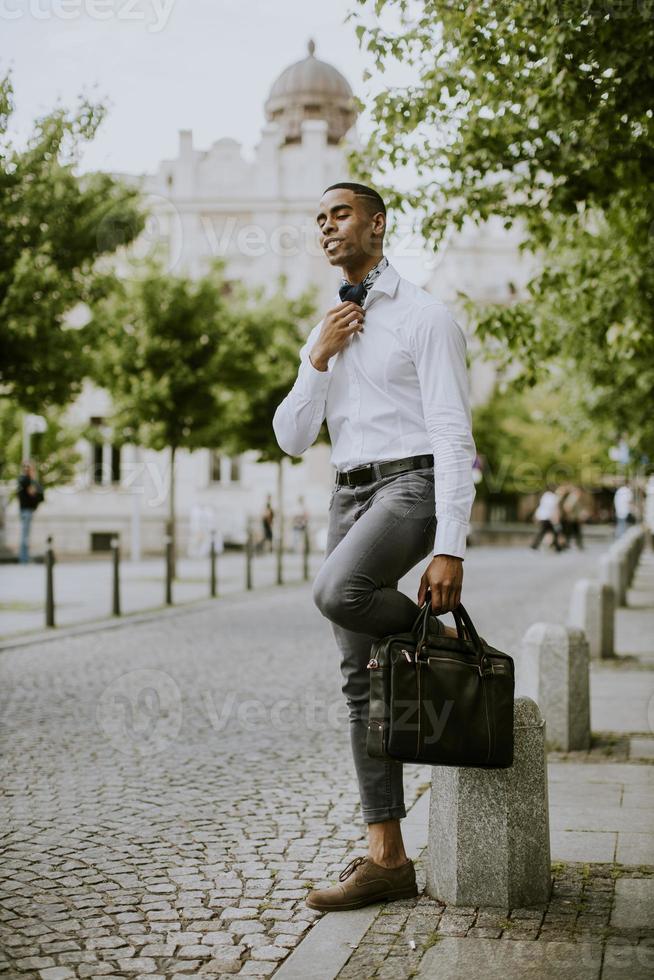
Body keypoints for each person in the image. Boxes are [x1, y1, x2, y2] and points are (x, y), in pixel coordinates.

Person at [272, 181, 476, 912]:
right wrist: (317, 358)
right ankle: (387, 858)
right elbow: (292, 437)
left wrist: (449, 545)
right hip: (347, 494)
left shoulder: (425, 317)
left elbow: (454, 436)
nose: (327, 226)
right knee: (359, 676)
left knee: (337, 591)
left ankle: (439, 637)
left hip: (411, 487)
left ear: (377, 224)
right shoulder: (328, 325)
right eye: (319, 217)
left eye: (341, 213)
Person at [17, 461, 44, 564]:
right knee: (25, 536)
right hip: (26, 511)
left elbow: (39, 493)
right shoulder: (26, 480)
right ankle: (24, 559)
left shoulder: (26, 480)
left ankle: (24, 558)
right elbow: (33, 492)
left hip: (27, 510)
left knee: (26, 535)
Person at [530, 485, 562, 552]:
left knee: (543, 532)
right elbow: (555, 509)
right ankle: (557, 546)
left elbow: (542, 506)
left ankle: (535, 545)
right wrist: (556, 519)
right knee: (553, 531)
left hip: (542, 516)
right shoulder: (554, 497)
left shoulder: (545, 495)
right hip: (549, 517)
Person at [559, 484, 585, 550]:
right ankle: (566, 544)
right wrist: (570, 515)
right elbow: (567, 507)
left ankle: (577, 545)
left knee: (574, 532)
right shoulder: (573, 497)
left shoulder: (574, 497)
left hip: (574, 518)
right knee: (571, 532)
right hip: (572, 519)